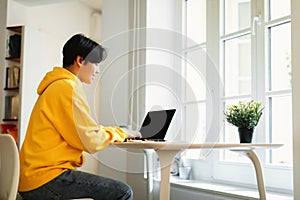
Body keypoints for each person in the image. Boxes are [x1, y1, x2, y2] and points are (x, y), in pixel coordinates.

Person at [18, 34, 141, 200]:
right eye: (96, 63)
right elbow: (90, 140)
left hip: (32, 177)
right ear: (80, 60)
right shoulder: (67, 88)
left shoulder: (56, 86)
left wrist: (116, 131)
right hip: (46, 178)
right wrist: (122, 133)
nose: (98, 70)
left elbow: (85, 132)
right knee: (123, 191)